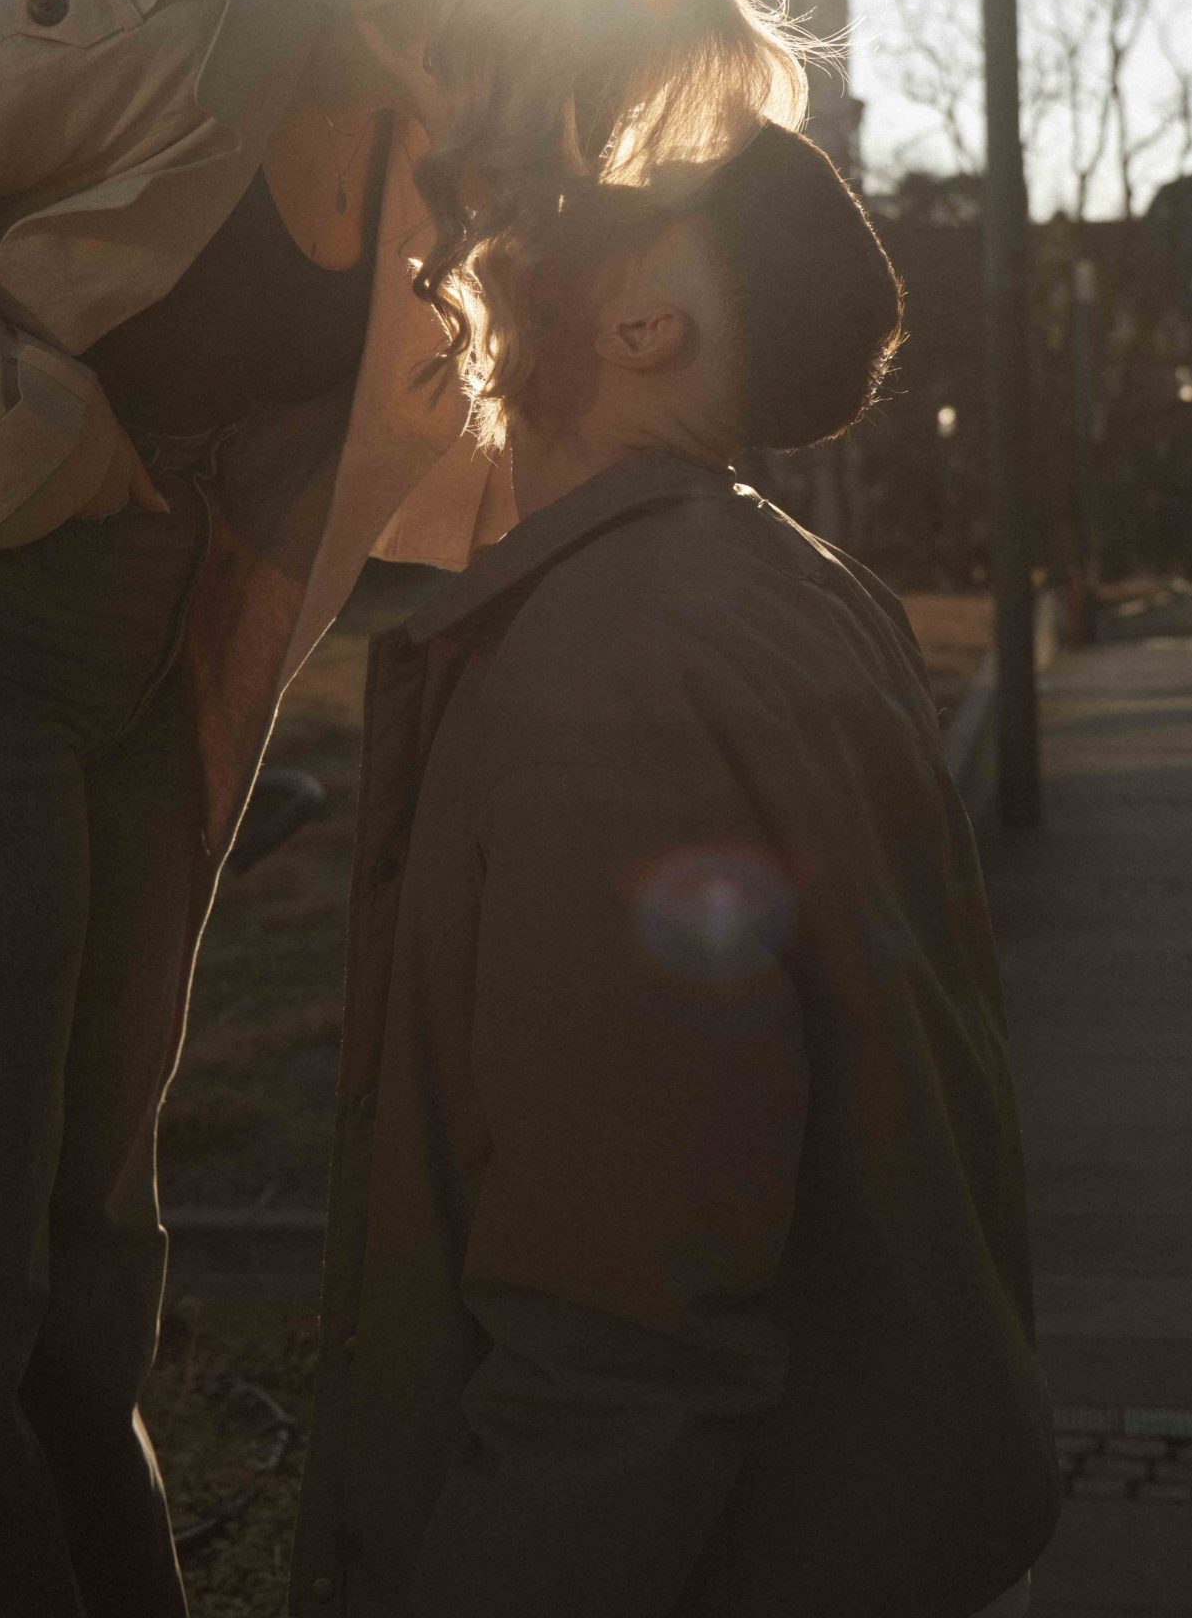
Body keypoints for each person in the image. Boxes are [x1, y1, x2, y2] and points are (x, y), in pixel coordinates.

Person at [0, 0, 805, 1618]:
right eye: (598, 59)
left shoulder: (434, 189)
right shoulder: (175, 9)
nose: (590, 122)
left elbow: (490, 484)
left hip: (140, 713)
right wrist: (27, 433)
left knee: (86, 1281)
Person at [292, 124, 1058, 1618]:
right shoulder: (796, 593)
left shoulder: (613, 672)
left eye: (608, 196)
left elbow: (622, 1340)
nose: (528, 201)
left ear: (649, 322)